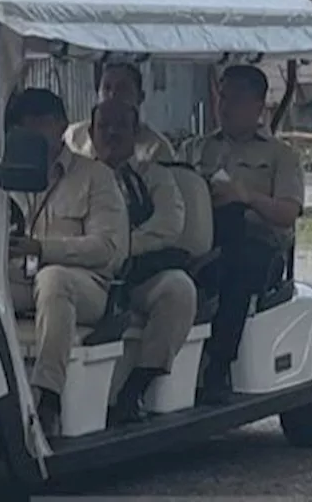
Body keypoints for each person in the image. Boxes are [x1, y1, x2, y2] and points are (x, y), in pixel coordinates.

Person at [178, 64, 305, 404]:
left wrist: (246, 196)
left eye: (236, 98)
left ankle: (218, 366)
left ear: (258, 104)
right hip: (204, 238)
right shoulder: (195, 149)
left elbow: (288, 213)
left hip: (261, 247)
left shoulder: (281, 156)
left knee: (233, 271)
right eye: (223, 96)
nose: (225, 105)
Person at [5, 88, 128, 434]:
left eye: (39, 126)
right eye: (23, 128)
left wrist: (41, 248)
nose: (31, 135)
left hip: (85, 286)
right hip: (16, 281)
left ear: (60, 126)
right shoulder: (4, 175)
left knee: (53, 279)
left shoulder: (95, 177)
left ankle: (47, 396)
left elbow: (107, 248)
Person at [88, 98, 197, 425]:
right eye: (103, 127)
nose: (111, 133)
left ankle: (136, 387)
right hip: (86, 273)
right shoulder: (77, 175)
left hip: (135, 275)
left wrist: (118, 247)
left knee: (178, 289)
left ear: (136, 133)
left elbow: (167, 226)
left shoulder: (154, 177)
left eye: (120, 126)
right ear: (91, 133)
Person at [64, 62, 175, 162]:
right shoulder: (73, 137)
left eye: (122, 88)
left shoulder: (157, 148)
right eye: (106, 88)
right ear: (97, 93)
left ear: (140, 97)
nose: (112, 95)